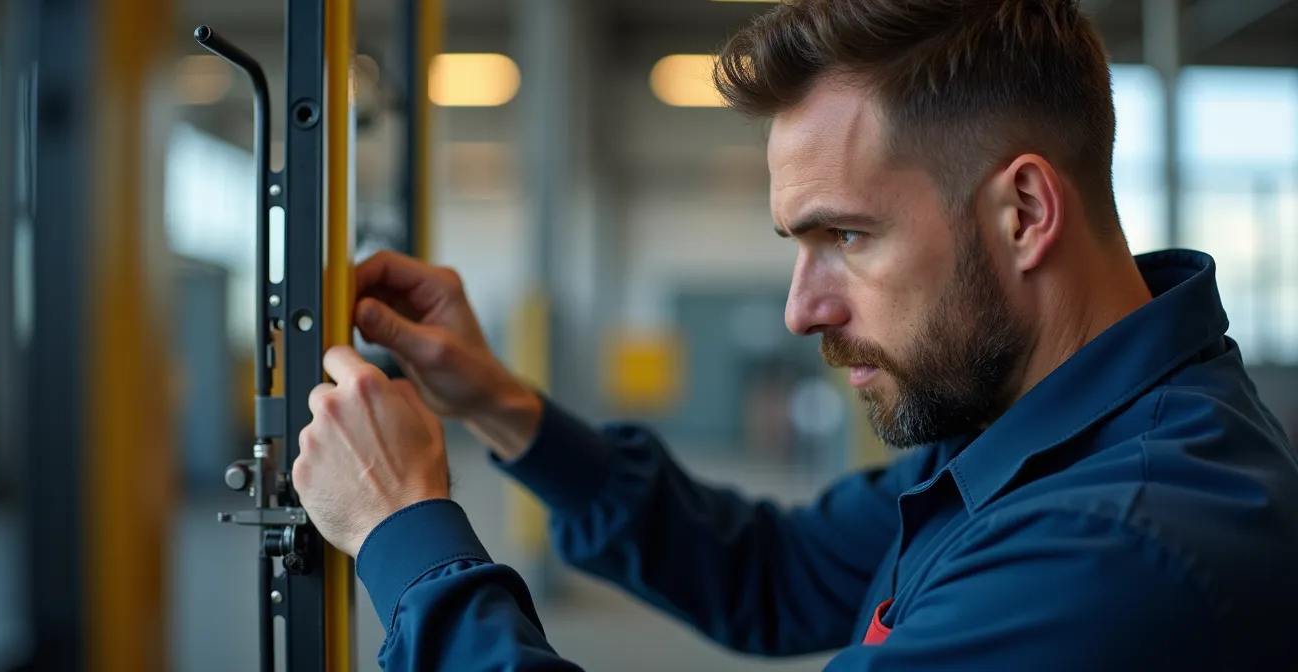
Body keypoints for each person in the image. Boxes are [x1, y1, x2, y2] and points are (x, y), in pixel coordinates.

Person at [290, 0, 1298, 669]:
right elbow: (769, 571)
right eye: (797, 242)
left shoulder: (1113, 551)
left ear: (1026, 213)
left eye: (846, 236)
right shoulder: (1027, 422)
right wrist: (495, 403)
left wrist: (403, 534)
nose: (799, 308)